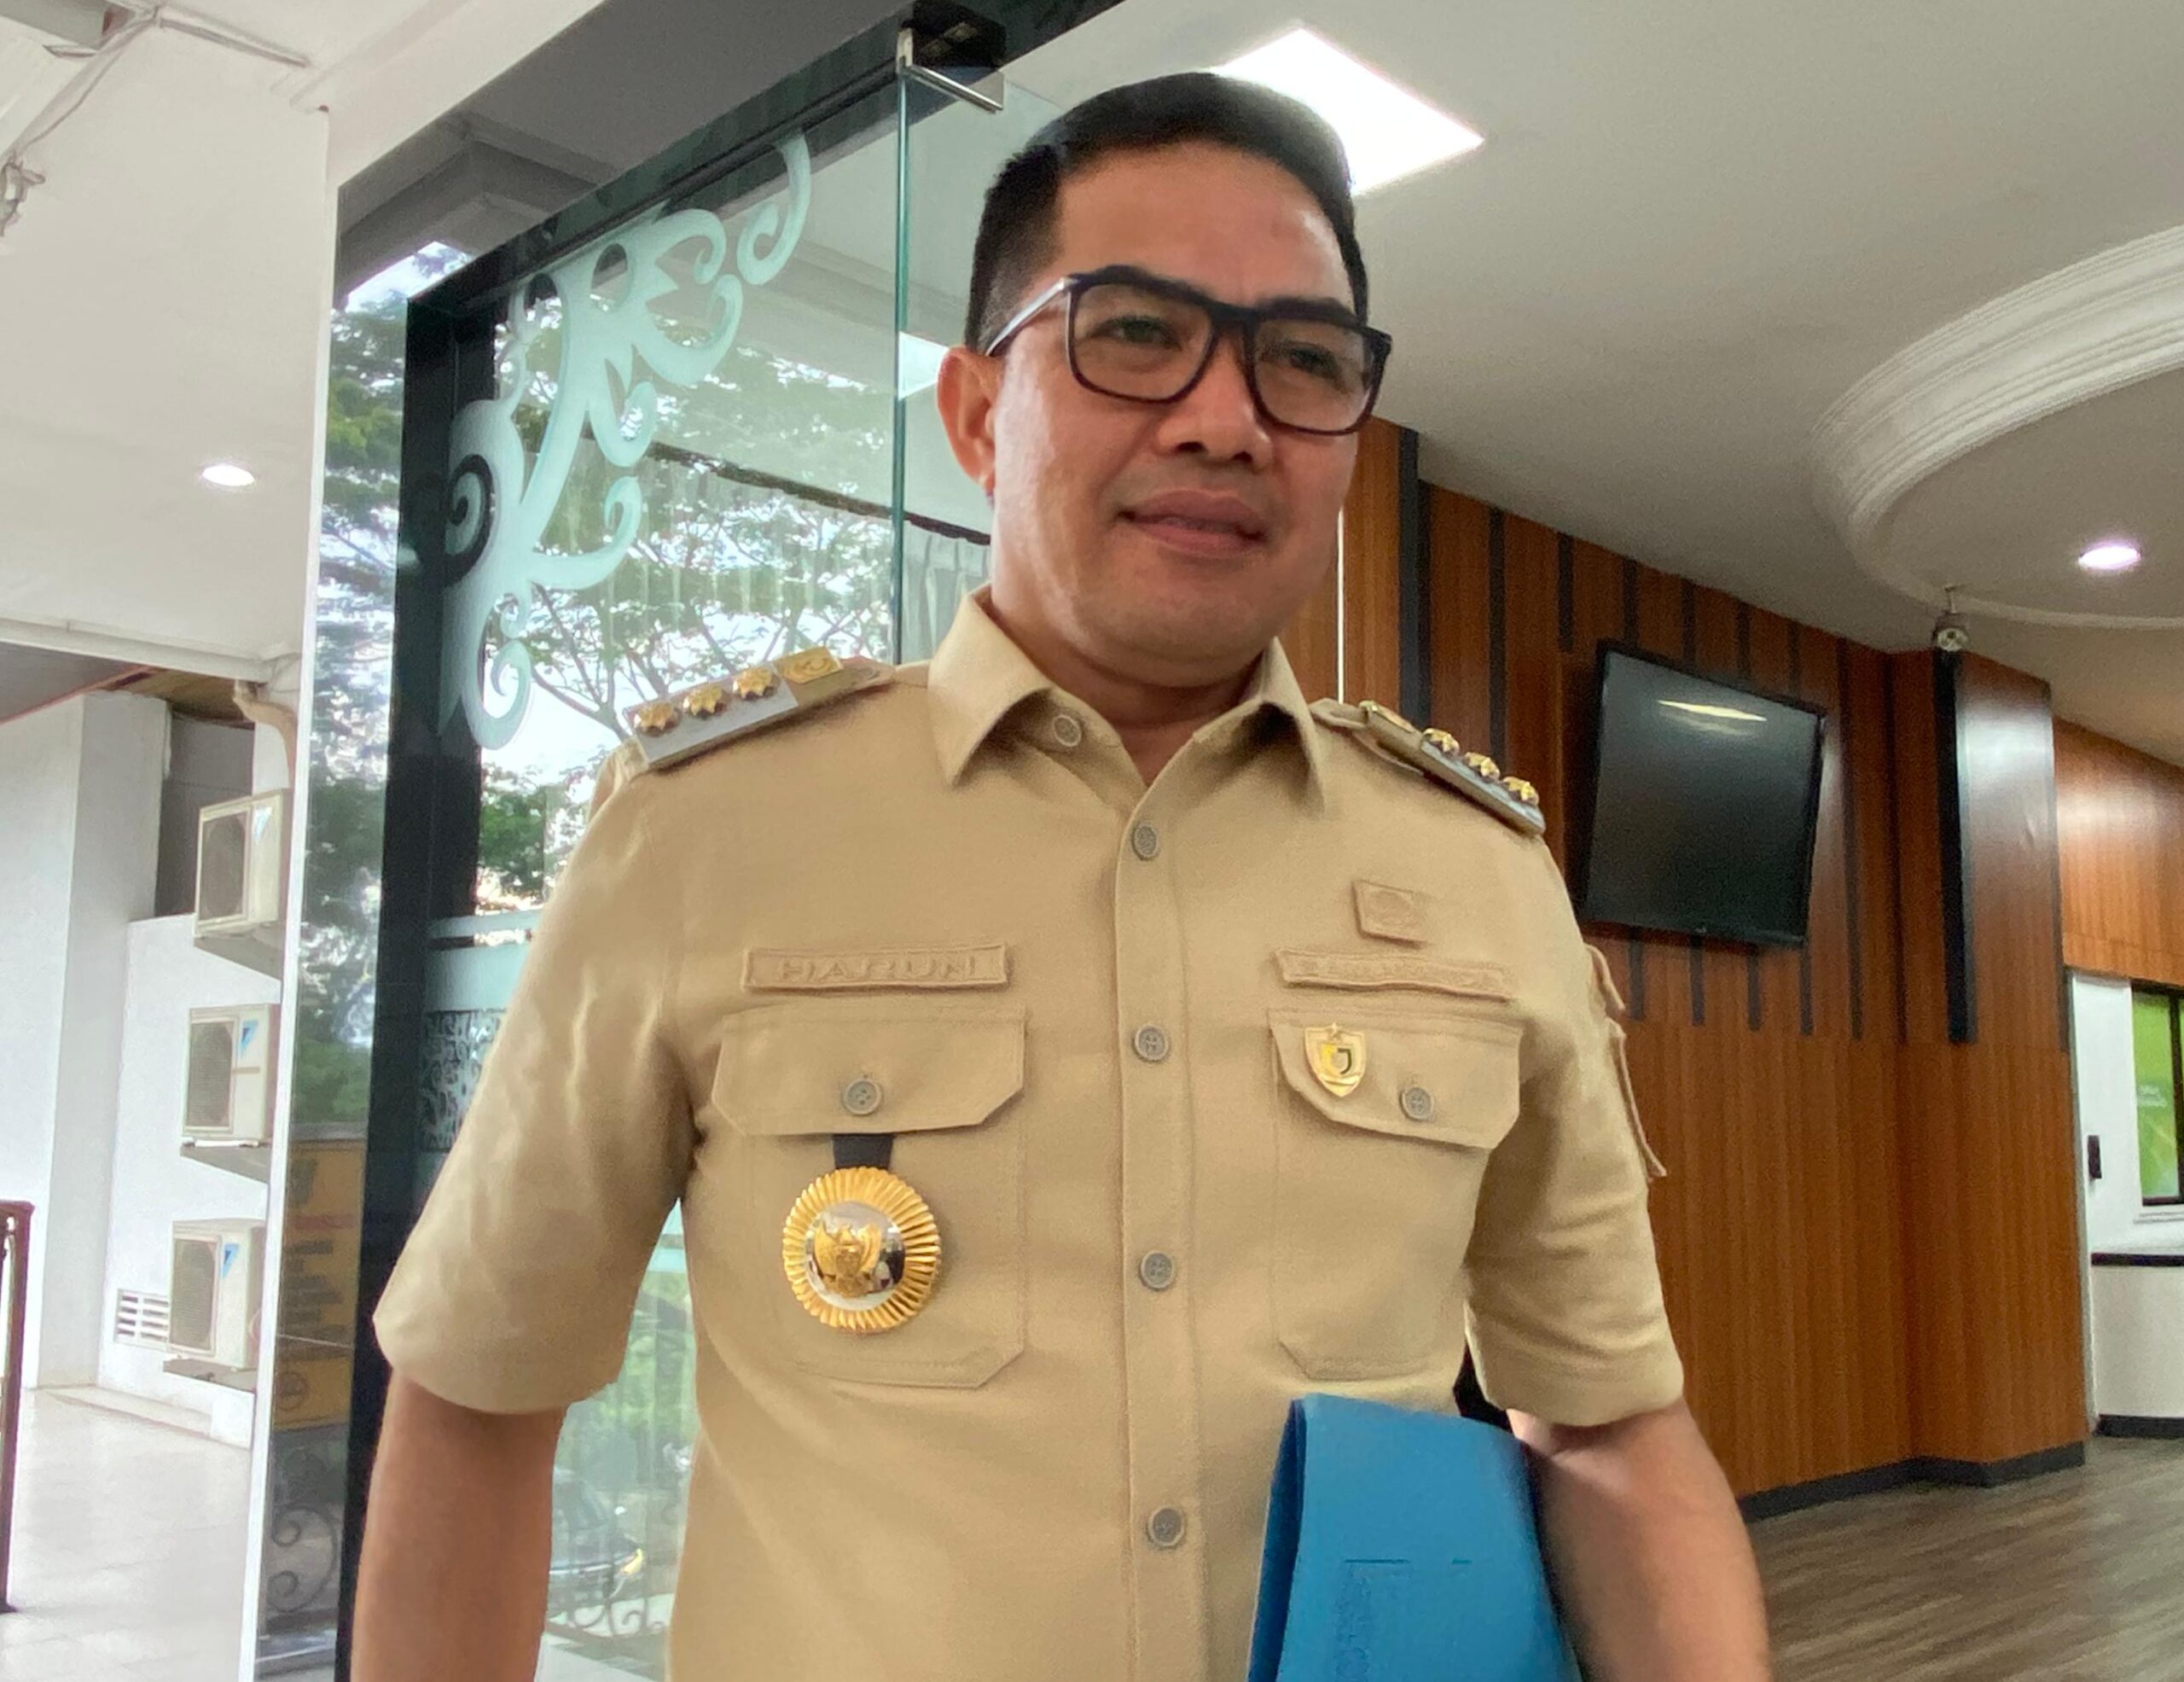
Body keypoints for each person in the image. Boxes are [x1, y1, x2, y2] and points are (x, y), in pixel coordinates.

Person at [357, 72, 1770, 1682]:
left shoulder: (1482, 871)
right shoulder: (706, 833)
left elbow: (1607, 1430)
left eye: (1305, 363)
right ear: (976, 415)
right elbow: (479, 1397)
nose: (1226, 419)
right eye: (1136, 334)